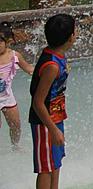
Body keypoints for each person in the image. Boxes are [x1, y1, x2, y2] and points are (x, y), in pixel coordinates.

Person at [29, 14, 76, 189]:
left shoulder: (56, 53)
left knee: (54, 162)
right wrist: (53, 129)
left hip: (55, 117)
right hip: (44, 122)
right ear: (71, 37)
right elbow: (38, 102)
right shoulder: (52, 65)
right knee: (45, 168)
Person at [0, 23, 34, 151]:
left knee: (16, 125)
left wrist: (45, 69)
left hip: (7, 97)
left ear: (8, 42)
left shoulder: (14, 56)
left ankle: (15, 146)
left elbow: (29, 69)